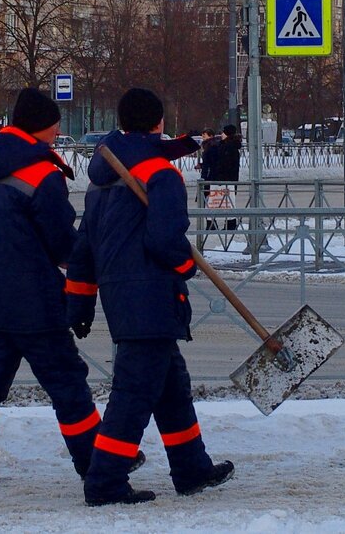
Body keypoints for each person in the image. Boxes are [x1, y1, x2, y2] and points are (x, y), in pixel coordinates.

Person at [0, 87, 131, 485]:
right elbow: (61, 241)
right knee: (66, 380)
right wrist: (87, 258)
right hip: (33, 297)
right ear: (46, 127)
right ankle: (97, 464)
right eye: (56, 124)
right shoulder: (42, 172)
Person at [67, 88, 234, 507]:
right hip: (152, 295)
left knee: (171, 385)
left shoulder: (101, 181)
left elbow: (83, 250)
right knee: (134, 393)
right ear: (159, 124)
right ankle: (104, 481)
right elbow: (165, 240)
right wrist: (185, 265)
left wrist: (81, 303)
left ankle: (191, 467)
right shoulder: (161, 174)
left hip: (121, 296)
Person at [206, 124, 243, 230]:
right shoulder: (227, 145)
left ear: (227, 134)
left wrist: (219, 173)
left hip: (226, 178)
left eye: (223, 132)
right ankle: (229, 224)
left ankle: (230, 224)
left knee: (227, 201)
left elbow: (225, 163)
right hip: (229, 177)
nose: (221, 134)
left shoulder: (229, 147)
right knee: (228, 201)